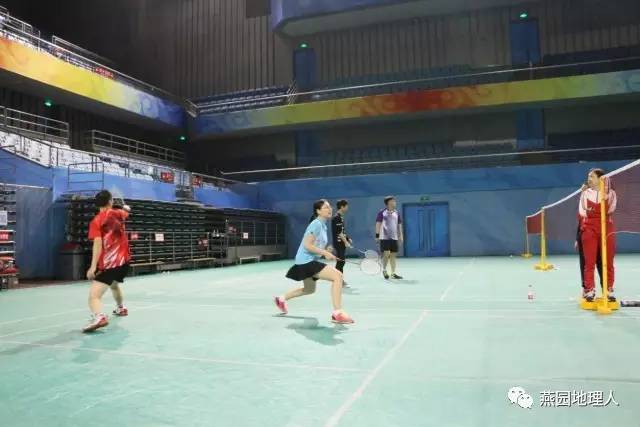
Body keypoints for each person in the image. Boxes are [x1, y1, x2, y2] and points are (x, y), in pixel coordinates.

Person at [274, 199, 354, 324]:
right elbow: (307, 245)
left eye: (330, 207)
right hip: (306, 261)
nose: (330, 209)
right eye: (326, 207)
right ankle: (338, 313)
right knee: (338, 276)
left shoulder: (323, 226)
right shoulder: (316, 224)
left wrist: (325, 251)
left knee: (309, 290)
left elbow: (315, 247)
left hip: (307, 260)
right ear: (318, 211)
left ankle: (281, 299)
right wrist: (325, 253)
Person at [83, 190, 131, 332]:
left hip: (110, 264)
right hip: (124, 263)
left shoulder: (96, 221)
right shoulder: (119, 213)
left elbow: (97, 244)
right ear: (110, 201)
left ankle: (99, 317)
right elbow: (126, 211)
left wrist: (93, 267)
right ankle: (121, 308)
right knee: (114, 285)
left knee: (94, 297)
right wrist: (126, 207)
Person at [579, 169, 617, 302]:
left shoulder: (611, 193)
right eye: (588, 176)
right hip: (589, 228)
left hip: (607, 228)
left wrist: (605, 197)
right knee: (589, 262)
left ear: (600, 179)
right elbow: (583, 211)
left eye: (592, 176)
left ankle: (608, 290)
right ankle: (590, 290)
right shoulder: (585, 193)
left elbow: (611, 209)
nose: (589, 179)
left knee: (609, 261)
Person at [376, 196, 403, 280]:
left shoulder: (397, 213)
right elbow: (378, 224)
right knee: (386, 253)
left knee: (393, 255)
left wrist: (401, 235)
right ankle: (384, 270)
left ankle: (393, 273)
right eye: (393, 201)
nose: (395, 202)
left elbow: (399, 225)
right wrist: (377, 235)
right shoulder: (382, 212)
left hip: (394, 237)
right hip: (384, 237)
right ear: (389, 203)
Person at [331, 199, 352, 288]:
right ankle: (338, 280)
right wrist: (346, 242)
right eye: (346, 206)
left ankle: (338, 279)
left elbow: (342, 231)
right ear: (342, 207)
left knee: (341, 262)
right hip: (338, 243)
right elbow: (339, 232)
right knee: (341, 262)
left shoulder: (340, 217)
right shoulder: (336, 217)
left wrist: (347, 238)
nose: (347, 208)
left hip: (341, 243)